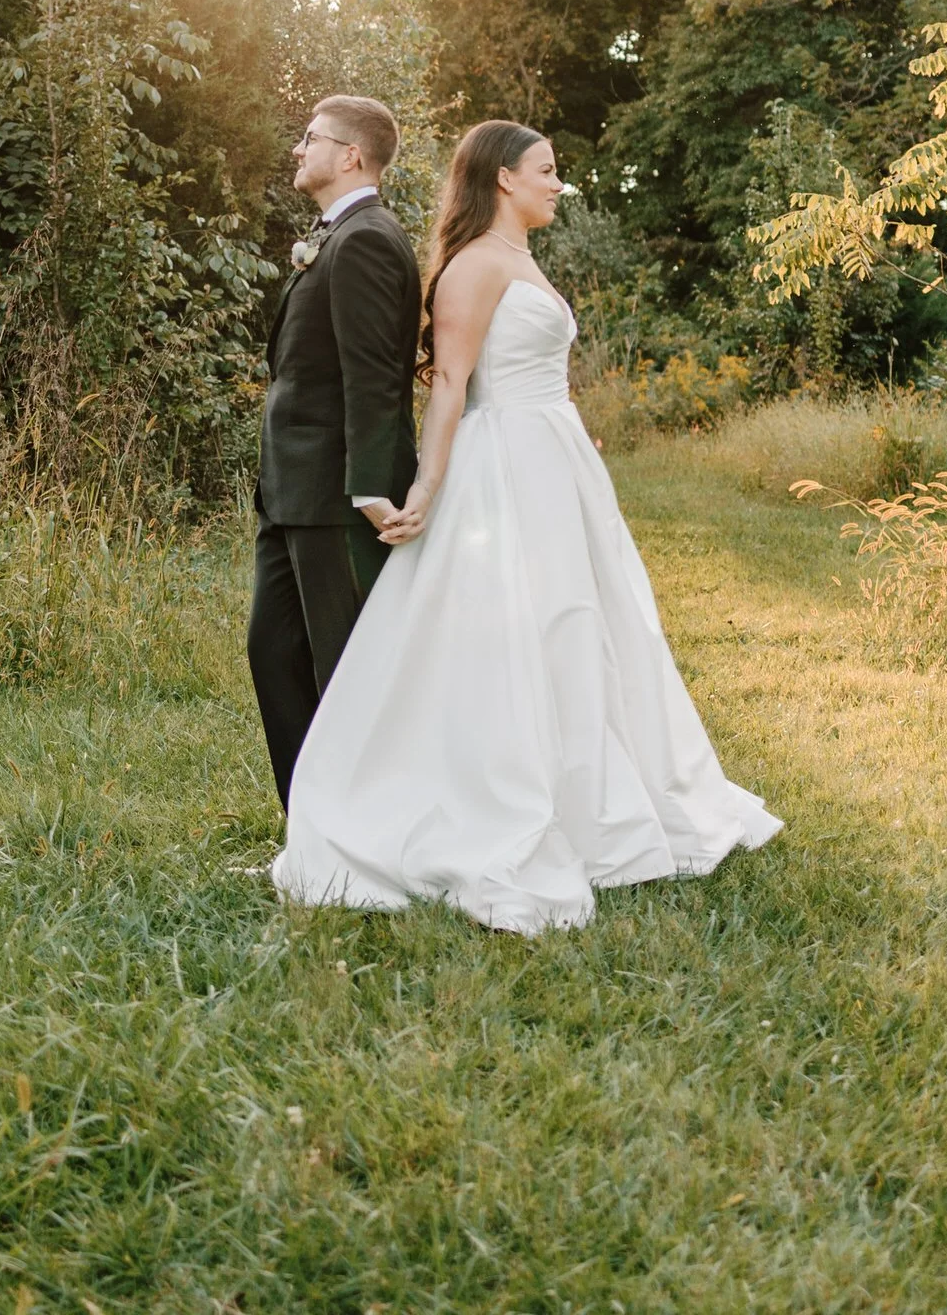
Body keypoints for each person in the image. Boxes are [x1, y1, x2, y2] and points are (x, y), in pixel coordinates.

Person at [273, 119, 782, 934]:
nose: (558, 183)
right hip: (502, 467)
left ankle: (598, 800)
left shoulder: (521, 257)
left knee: (585, 624)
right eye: (546, 170)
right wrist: (427, 488)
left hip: (555, 462)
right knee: (515, 633)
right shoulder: (473, 266)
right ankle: (503, 799)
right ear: (503, 178)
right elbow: (449, 387)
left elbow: (539, 369)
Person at [247, 95, 421, 812]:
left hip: (337, 499)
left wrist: (369, 488)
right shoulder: (336, 234)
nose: (297, 149)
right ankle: (313, 833)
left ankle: (369, 833)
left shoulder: (368, 239)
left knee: (347, 671)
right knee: (275, 655)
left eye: (310, 138)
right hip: (291, 492)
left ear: (351, 154)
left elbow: (375, 375)